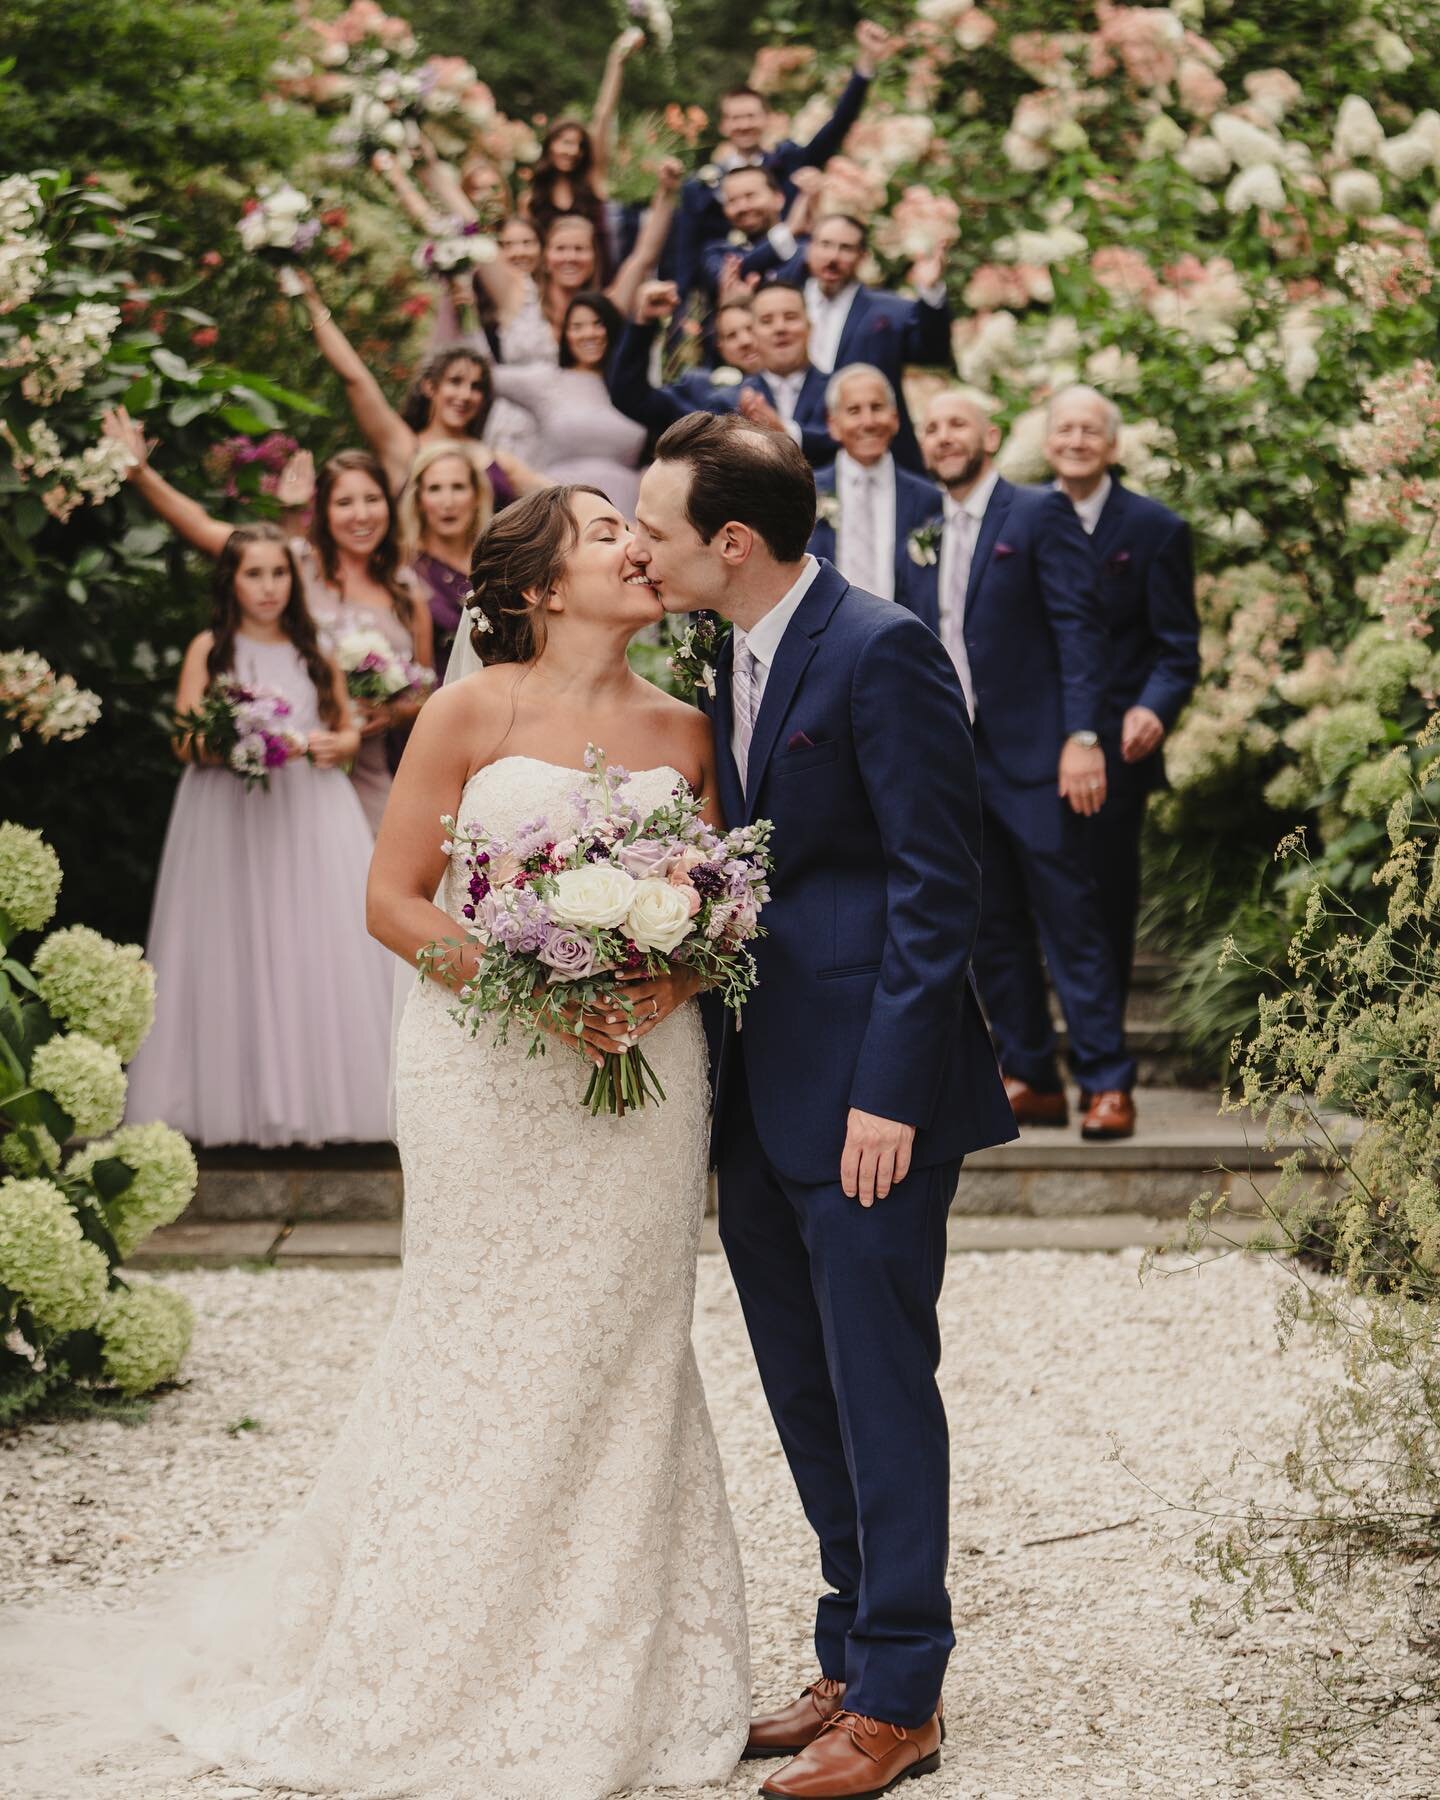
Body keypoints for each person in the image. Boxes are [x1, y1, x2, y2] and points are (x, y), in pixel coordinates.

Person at [630, 413, 1014, 1800]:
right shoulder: (725, 649)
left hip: (868, 1103)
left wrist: (890, 1096)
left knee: (877, 1388)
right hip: (758, 1094)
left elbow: (936, 883)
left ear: (730, 540)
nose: (637, 546)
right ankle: (849, 1651)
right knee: (804, 1389)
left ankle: (904, 1695)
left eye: (655, 530)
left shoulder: (880, 646)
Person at [125, 524, 392, 1147]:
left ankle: (317, 1101)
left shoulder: (315, 650)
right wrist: (235, 741)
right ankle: (228, 1100)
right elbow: (183, 737)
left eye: (278, 574)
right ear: (231, 582)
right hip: (227, 809)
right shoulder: (210, 650)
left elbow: (347, 730)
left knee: (309, 939)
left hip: (306, 808)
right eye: (254, 574)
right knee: (228, 940)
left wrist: (335, 743)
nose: (268, 587)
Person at [917, 388, 1138, 1140]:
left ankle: (1107, 1082)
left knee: (1070, 920)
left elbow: (1081, 630)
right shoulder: (925, 523)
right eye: (932, 427)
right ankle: (1030, 1075)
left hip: (1040, 756)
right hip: (954, 757)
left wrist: (1083, 737)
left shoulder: (1039, 512)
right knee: (992, 926)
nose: (945, 437)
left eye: (957, 424)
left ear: (992, 432)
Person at [101, 411, 431, 834]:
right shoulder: (290, 565)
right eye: (344, 502)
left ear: (389, 504)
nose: (361, 515)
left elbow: (427, 692)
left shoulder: (406, 589)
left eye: (372, 499)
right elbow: (206, 530)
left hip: (371, 763)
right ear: (323, 510)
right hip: (288, 766)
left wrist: (392, 712)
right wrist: (141, 475)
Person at [1045, 384, 1199, 1012]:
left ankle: (1101, 1048)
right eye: (1066, 430)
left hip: (1113, 745)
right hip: (1025, 740)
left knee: (1103, 894)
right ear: (1048, 442)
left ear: (1112, 445)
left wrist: (1153, 708)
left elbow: (1177, 648)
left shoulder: (1156, 529)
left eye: (1090, 431)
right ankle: (1028, 1056)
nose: (1077, 441)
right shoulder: (1022, 519)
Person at [671, 20, 896, 296]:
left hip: (794, 280)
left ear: (766, 119)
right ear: (723, 125)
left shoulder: (789, 162)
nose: (743, 125)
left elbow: (836, 127)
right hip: (730, 291)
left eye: (750, 116)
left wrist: (865, 63)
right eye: (735, 118)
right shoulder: (700, 187)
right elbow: (688, 255)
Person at [283, 269, 542, 503]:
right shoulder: (403, 447)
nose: (465, 395)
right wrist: (313, 306)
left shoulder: (497, 461)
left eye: (476, 387)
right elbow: (356, 378)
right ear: (430, 387)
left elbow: (559, 497)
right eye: (455, 382)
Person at [765, 213, 952, 472]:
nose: (833, 257)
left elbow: (933, 352)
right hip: (796, 459)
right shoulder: (779, 303)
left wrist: (931, 294)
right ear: (809, 248)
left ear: (862, 256)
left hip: (877, 453)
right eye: (825, 244)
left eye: (846, 248)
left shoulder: (891, 312)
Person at [486, 290, 648, 515]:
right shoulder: (547, 380)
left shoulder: (635, 388)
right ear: (565, 335)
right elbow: (481, 374)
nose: (589, 334)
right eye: (577, 326)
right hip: (564, 514)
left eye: (597, 323)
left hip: (627, 516)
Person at [807, 363, 942, 613]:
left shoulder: (929, 498)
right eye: (854, 410)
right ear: (833, 424)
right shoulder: (805, 493)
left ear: (895, 418)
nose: (868, 421)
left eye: (877, 407)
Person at [520, 28, 644, 276]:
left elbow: (603, 115)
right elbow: (523, 247)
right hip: (550, 288)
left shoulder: (592, 181)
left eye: (578, 145)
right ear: (550, 146)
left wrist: (616, 61)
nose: (572, 151)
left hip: (596, 283)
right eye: (565, 142)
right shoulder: (531, 199)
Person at [607, 281, 760, 434]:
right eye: (731, 335)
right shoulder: (697, 389)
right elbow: (631, 398)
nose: (745, 341)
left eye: (751, 328)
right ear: (721, 347)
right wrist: (644, 322)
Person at [397, 438, 495, 668]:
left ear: (476, 496)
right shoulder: (403, 566)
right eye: (434, 489)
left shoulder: (499, 562)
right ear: (419, 499)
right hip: (436, 696)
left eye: (458, 487)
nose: (447, 502)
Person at [736, 281, 837, 467]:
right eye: (767, 321)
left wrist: (785, 433)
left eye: (790, 317)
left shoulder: (839, 391)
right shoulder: (730, 399)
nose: (780, 328)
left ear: (810, 326)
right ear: (753, 333)